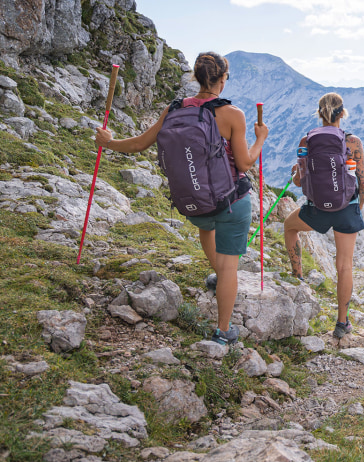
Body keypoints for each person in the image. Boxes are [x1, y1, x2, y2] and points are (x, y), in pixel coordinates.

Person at [93, 52, 268, 345]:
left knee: (207, 230)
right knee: (229, 266)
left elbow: (139, 144)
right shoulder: (232, 114)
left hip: (194, 206)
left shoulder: (174, 109)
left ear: (196, 78)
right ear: (223, 79)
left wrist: (108, 142)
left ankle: (218, 276)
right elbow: (244, 164)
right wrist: (260, 138)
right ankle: (223, 331)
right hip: (230, 203)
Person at [284, 92, 364, 339]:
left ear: (319, 113)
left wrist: (295, 173)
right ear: (343, 113)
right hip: (347, 209)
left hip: (317, 208)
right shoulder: (353, 142)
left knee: (289, 227)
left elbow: (299, 182)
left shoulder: (306, 140)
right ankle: (342, 323)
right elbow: (363, 182)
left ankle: (298, 275)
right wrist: (357, 208)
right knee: (344, 266)